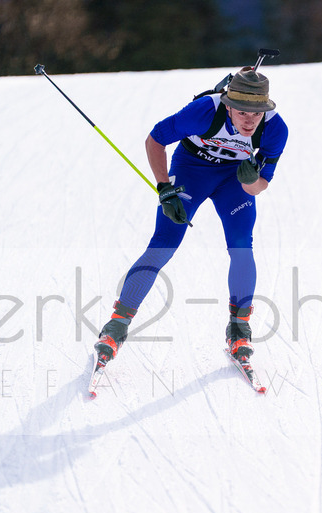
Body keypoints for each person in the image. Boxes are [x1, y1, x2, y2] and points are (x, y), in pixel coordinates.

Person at [94, 65, 289, 365]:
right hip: (191, 170)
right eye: (242, 113)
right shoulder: (204, 111)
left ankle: (239, 329)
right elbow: (155, 140)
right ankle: (116, 326)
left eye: (256, 113)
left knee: (241, 247)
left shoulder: (275, 129)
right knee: (164, 243)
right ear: (229, 106)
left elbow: (260, 186)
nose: (250, 121)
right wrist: (164, 188)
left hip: (233, 179)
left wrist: (250, 180)